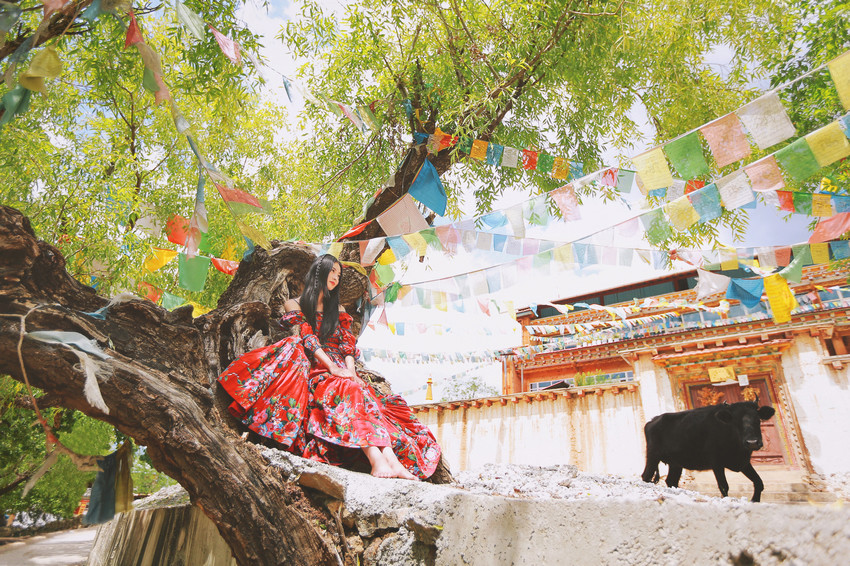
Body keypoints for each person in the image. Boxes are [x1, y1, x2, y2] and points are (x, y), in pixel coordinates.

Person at [219, 254, 441, 480]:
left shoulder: (340, 309)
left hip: (342, 367)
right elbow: (307, 339)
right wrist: (333, 369)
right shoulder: (294, 304)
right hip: (317, 367)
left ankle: (392, 462)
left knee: (363, 393)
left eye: (338, 273)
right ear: (318, 272)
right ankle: (377, 461)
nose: (335, 276)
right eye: (331, 271)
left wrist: (351, 372)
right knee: (350, 391)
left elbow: (347, 345)